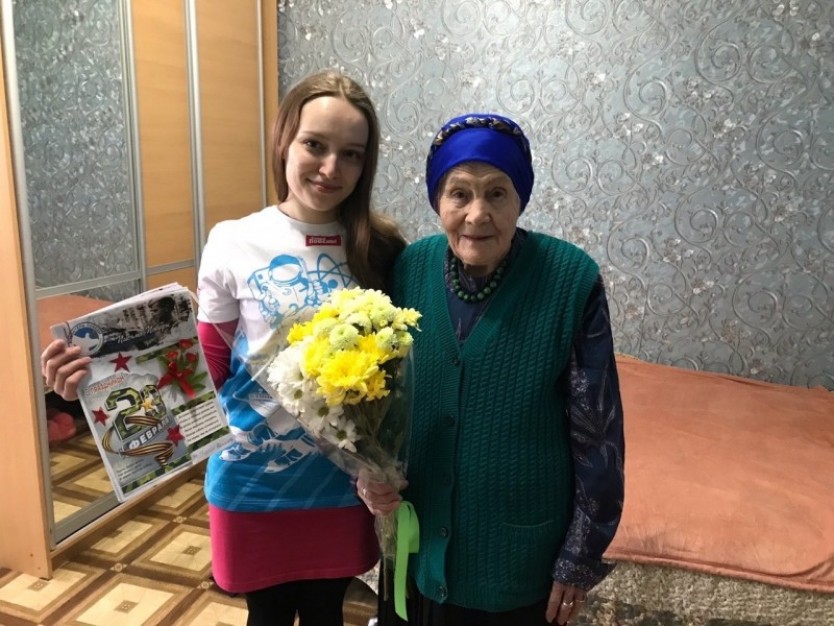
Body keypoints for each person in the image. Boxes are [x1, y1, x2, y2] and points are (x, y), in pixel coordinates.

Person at [41, 70, 406, 626]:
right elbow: (204, 369)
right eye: (315, 145)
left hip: (340, 484)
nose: (331, 168)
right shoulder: (234, 240)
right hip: (251, 478)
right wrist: (97, 387)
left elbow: (397, 374)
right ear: (284, 142)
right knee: (266, 617)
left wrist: (386, 467)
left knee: (327, 614)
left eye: (351, 154)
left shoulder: (381, 248)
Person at [357, 113, 625, 626]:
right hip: (415, 544)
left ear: (520, 198)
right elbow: (384, 400)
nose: (477, 214)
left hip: (514, 560)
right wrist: (370, 474)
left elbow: (599, 435)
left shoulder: (570, 280)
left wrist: (580, 555)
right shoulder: (410, 268)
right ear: (437, 199)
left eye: (497, 193)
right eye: (459, 194)